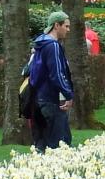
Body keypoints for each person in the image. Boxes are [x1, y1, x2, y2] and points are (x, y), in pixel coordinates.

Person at [30, 10, 76, 152]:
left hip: (37, 101)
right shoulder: (53, 45)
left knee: (41, 146)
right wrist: (68, 95)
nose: (68, 30)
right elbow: (57, 74)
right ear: (56, 25)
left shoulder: (40, 44)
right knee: (60, 146)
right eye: (66, 26)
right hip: (51, 101)